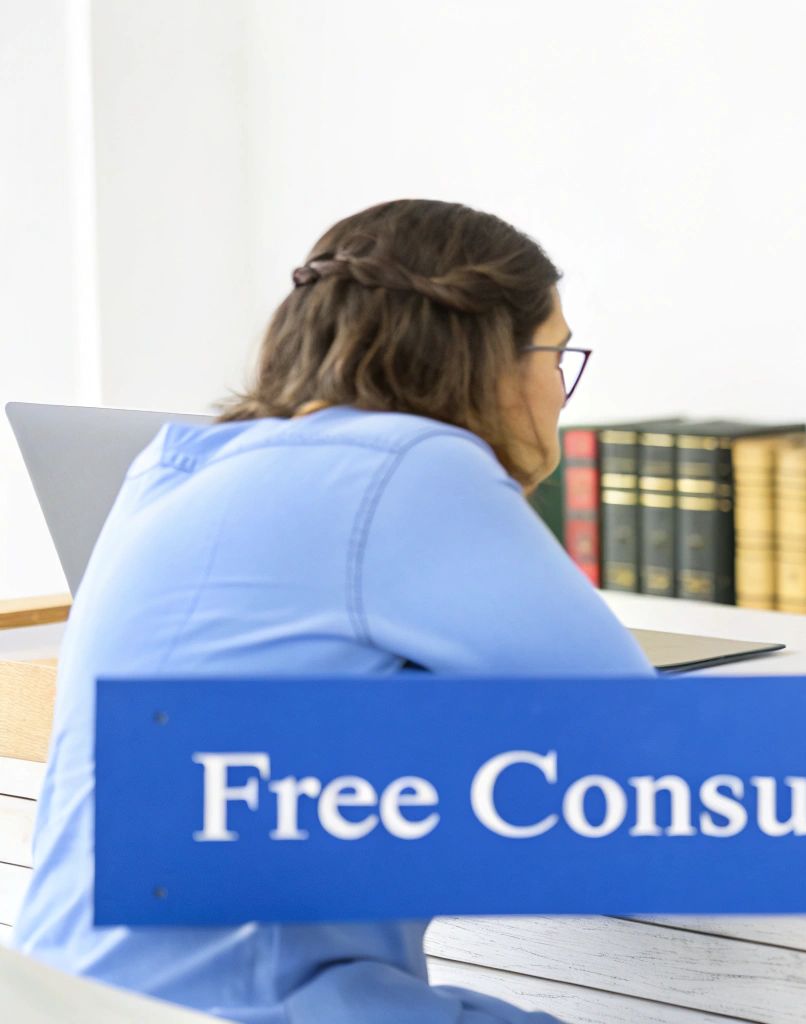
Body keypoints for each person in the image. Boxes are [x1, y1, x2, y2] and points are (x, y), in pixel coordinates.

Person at [16, 199, 651, 1022]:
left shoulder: (174, 466)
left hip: (62, 996)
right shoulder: (414, 465)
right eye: (554, 355)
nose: (558, 391)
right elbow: (648, 752)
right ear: (490, 354)